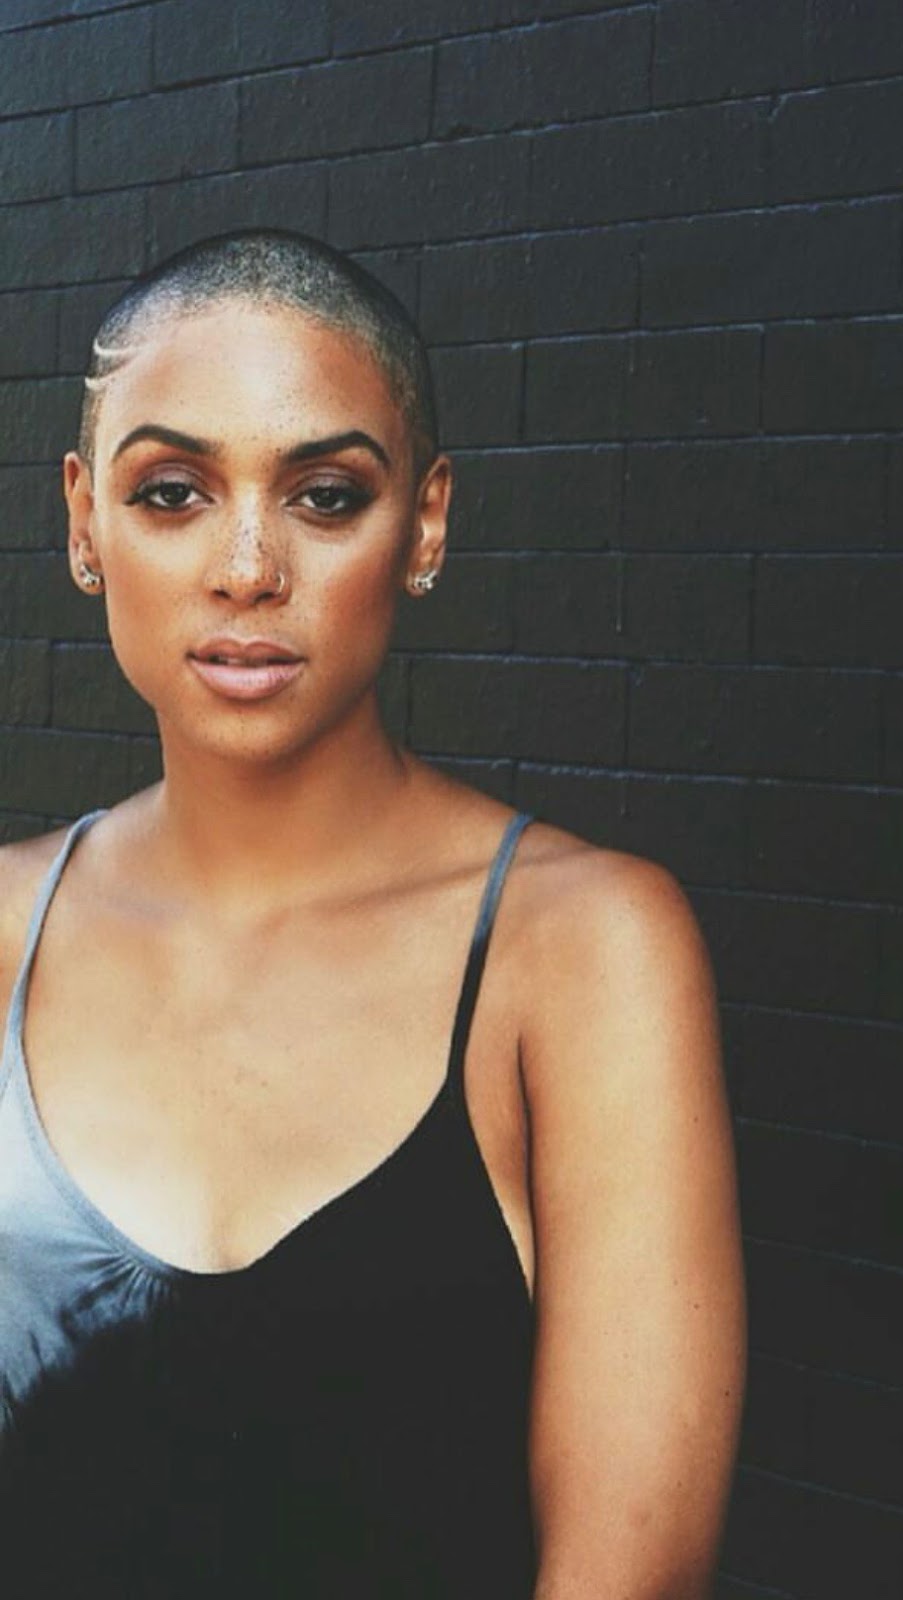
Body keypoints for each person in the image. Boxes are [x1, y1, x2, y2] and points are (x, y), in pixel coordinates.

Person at [0, 230, 745, 1597]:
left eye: (326, 496)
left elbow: (629, 1573)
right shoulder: (3, 934)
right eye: (171, 491)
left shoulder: (579, 952)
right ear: (83, 522)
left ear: (427, 524)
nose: (246, 567)